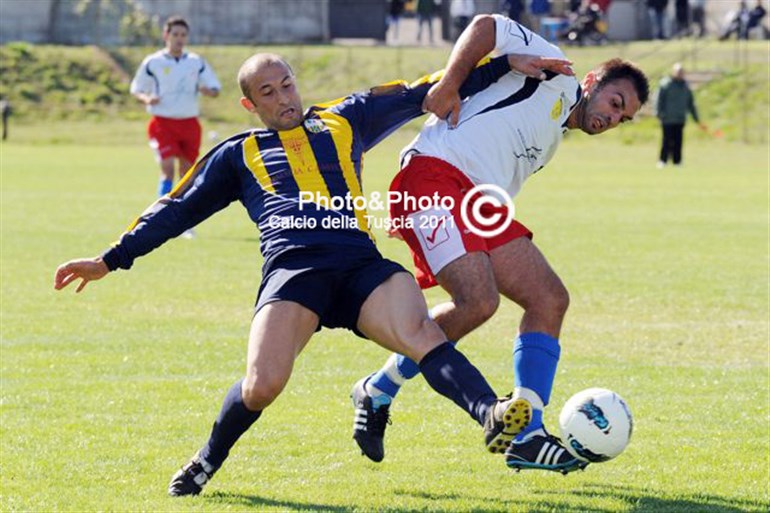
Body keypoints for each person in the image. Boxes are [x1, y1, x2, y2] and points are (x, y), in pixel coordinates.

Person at [54, 48, 572, 496]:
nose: (284, 99)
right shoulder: (237, 154)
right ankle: (207, 459)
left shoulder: (345, 117)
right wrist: (109, 259)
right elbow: (175, 208)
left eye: (287, 85)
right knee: (263, 384)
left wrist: (504, 64)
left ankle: (490, 414)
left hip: (359, 265)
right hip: (294, 272)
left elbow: (429, 89)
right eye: (268, 93)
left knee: (420, 331)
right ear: (250, 105)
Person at [351, 13, 649, 474]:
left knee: (548, 299)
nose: (612, 118)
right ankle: (385, 392)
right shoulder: (555, 72)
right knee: (479, 300)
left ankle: (523, 433)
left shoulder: (553, 138)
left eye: (622, 117)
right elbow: (487, 24)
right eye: (614, 102)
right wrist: (451, 84)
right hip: (432, 174)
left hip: (479, 203)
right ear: (592, 80)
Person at [129, 15, 221, 238]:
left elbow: (215, 88)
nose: (179, 39)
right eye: (175, 34)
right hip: (163, 122)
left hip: (189, 123)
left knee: (187, 174)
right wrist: (146, 98)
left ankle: (184, 222)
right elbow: (136, 88)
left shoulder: (196, 62)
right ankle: (160, 218)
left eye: (183, 35)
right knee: (168, 168)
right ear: (166, 36)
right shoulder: (153, 62)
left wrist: (208, 91)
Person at [655, 63, 704, 168]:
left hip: (680, 119)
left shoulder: (685, 86)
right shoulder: (665, 84)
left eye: (681, 72)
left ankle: (677, 162)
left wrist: (697, 119)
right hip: (667, 118)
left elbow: (691, 104)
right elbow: (659, 100)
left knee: (678, 141)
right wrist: (659, 114)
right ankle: (662, 160)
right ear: (673, 72)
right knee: (666, 140)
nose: (680, 74)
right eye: (678, 72)